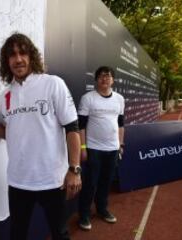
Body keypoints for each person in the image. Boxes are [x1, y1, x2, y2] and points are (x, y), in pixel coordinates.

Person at [0, 33, 82, 240]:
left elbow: (72, 127)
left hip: (52, 180)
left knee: (60, 234)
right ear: (7, 61)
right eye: (12, 55)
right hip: (18, 181)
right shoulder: (5, 95)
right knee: (17, 234)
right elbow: (9, 133)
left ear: (31, 56)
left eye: (23, 53)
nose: (18, 59)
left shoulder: (53, 84)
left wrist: (74, 169)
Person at [77, 66, 125, 231]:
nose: (105, 79)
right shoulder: (88, 98)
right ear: (96, 79)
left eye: (108, 76)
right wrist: (83, 148)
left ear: (113, 80)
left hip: (113, 149)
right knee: (90, 183)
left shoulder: (119, 99)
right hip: (93, 148)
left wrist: (120, 144)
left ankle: (102, 209)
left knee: (106, 182)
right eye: (102, 76)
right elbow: (81, 126)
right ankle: (84, 214)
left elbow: (120, 124)